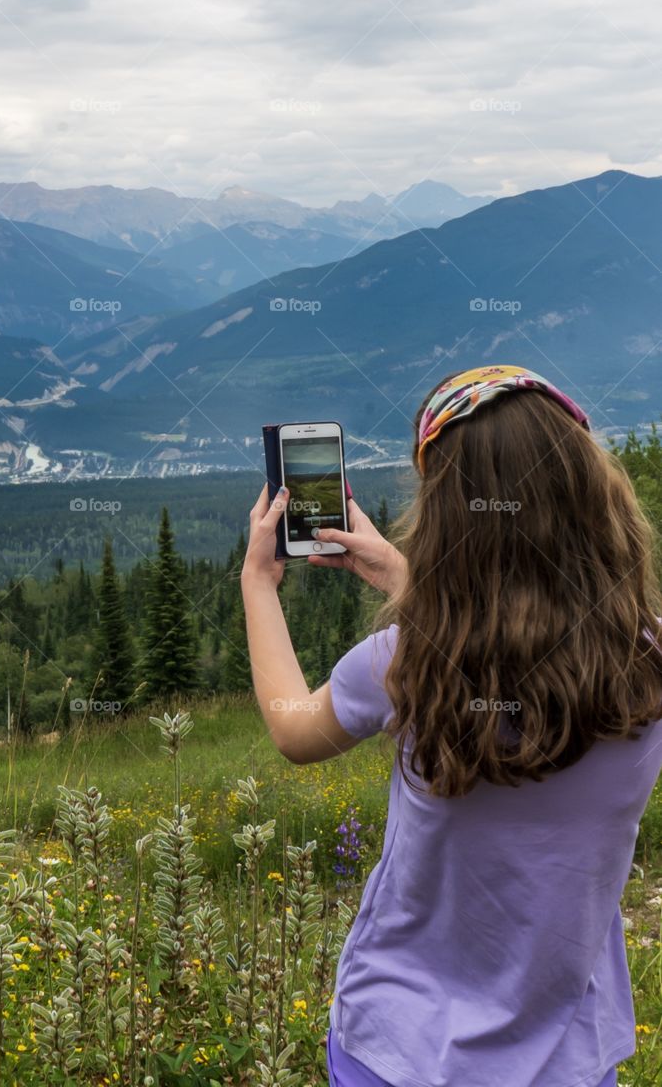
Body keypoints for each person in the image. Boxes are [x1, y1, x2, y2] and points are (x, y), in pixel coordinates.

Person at [241, 365, 662, 1087]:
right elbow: (526, 642)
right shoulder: (646, 661)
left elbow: (292, 729)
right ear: (594, 496)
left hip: (399, 1051)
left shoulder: (402, 666)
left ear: (446, 520)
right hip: (568, 1059)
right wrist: (396, 575)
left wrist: (258, 584)